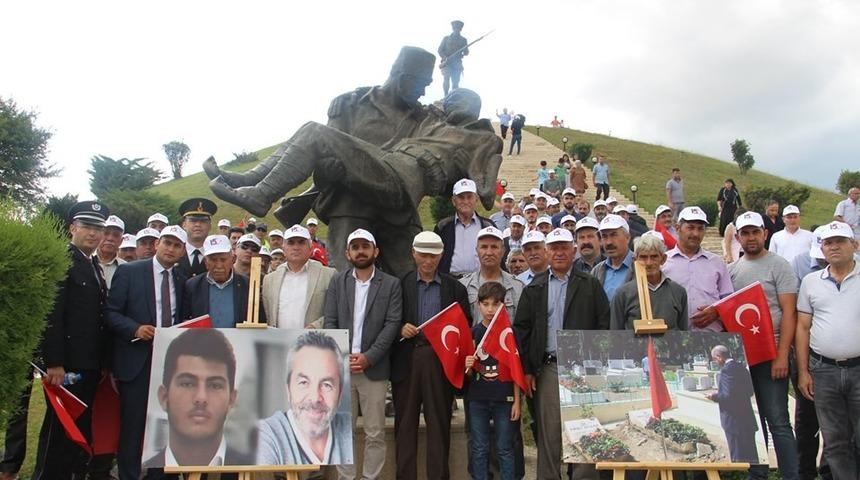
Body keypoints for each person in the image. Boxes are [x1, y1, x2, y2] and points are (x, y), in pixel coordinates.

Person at [513, 227, 610, 480]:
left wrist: (595, 366)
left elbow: (603, 325)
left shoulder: (590, 284)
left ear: (573, 250)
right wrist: (528, 369)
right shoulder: (534, 287)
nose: (558, 252)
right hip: (547, 368)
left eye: (564, 247)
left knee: (585, 429)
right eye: (554, 248)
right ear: (547, 252)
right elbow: (521, 330)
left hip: (582, 369)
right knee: (549, 434)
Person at [32, 201, 109, 480]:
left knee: (76, 432)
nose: (93, 233)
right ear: (72, 227)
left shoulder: (93, 265)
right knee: (58, 432)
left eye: (98, 228)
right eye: (87, 226)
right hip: (64, 367)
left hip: (87, 365)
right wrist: (53, 362)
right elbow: (52, 314)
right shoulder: (63, 260)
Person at [106, 225, 188, 480]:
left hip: (169, 364)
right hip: (137, 361)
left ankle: (158, 475)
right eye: (167, 243)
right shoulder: (129, 272)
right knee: (133, 426)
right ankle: (129, 475)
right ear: (156, 244)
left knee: (164, 424)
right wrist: (135, 328)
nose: (171, 249)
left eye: (177, 245)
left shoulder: (180, 280)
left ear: (183, 251)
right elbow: (110, 313)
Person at [392, 231, 471, 480]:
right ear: (413, 254)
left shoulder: (455, 289)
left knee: (439, 424)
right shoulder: (400, 284)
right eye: (423, 255)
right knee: (404, 426)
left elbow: (464, 326)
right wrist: (399, 328)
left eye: (433, 256)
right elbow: (389, 318)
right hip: (408, 359)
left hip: (440, 363)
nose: (428, 261)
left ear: (441, 256)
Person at [323, 229, 401, 480]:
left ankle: (370, 478)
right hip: (342, 370)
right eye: (355, 247)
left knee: (375, 432)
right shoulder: (337, 281)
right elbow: (330, 321)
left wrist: (369, 356)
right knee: (342, 431)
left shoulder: (391, 284)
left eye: (365, 246)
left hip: (373, 369)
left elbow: (392, 324)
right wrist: (342, 355)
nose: (360, 251)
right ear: (347, 253)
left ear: (375, 251)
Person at [727, 211, 799, 480]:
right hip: (744, 358)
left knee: (778, 420)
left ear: (765, 233)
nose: (751, 237)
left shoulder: (778, 265)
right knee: (753, 421)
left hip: (772, 355)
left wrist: (783, 356)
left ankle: (791, 475)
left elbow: (789, 312)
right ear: (738, 237)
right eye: (745, 233)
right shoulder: (731, 270)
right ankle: (758, 474)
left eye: (755, 232)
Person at [795, 221, 860, 480]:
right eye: (828, 242)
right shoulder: (811, 282)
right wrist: (803, 371)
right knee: (835, 441)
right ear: (821, 248)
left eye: (840, 241)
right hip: (824, 370)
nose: (833, 247)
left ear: (853, 245)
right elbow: (803, 328)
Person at [142, 329, 253, 468]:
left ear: (231, 399)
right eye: (187, 384)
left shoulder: (254, 471)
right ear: (164, 397)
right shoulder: (144, 474)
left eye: (215, 385)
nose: (201, 398)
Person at [257, 331, 353, 465]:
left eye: (326, 385)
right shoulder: (265, 435)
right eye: (303, 383)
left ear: (340, 393)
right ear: (288, 389)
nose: (315, 398)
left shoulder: (349, 427)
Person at [465, 282, 522, 480]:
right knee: (479, 448)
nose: (490, 309)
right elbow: (468, 375)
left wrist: (517, 401)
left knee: (505, 448)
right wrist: (469, 364)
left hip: (504, 399)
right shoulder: (472, 334)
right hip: (478, 399)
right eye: (486, 304)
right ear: (478, 305)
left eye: (495, 304)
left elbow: (516, 368)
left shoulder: (509, 333)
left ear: (503, 306)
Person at [662, 206, 734, 332]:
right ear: (678, 228)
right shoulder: (663, 262)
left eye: (700, 229)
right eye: (690, 228)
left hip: (710, 338)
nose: (696, 234)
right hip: (674, 338)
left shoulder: (717, 263)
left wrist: (717, 311)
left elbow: (729, 300)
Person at [262, 225, 336, 329]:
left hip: (313, 341)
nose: (296, 247)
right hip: (278, 341)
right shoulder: (269, 280)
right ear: (283, 248)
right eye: (291, 242)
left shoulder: (328, 275)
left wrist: (316, 326)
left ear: (310, 248)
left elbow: (336, 312)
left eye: (301, 242)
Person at [610, 234, 688, 330]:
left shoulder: (678, 292)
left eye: (654, 256)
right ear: (635, 260)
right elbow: (615, 334)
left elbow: (684, 334)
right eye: (643, 257)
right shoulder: (623, 294)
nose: (649, 263)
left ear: (663, 259)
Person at [181, 235, 252, 327]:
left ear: (232, 259)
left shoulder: (246, 285)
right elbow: (185, 318)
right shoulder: (193, 286)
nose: (219, 265)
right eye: (213, 260)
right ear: (206, 262)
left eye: (223, 260)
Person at [706, 345, 759, 463]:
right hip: (747, 420)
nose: (715, 362)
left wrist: (714, 396)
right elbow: (750, 391)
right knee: (753, 459)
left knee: (738, 458)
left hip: (734, 422)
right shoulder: (742, 367)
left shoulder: (726, 370)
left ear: (719, 357)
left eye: (715, 359)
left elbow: (728, 396)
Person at [460, 227, 524, 322]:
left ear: (503, 251)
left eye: (494, 247)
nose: (489, 252)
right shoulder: (463, 286)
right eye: (484, 247)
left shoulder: (518, 287)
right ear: (477, 250)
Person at [436, 178, 497, 277]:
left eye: (469, 197)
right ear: (454, 201)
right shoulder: (443, 226)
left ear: (476, 199)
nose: (465, 201)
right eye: (461, 197)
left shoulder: (488, 226)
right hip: (450, 281)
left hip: (480, 281)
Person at [591, 214, 634, 302]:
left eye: (614, 235)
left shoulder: (641, 267)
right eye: (604, 236)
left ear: (627, 237)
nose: (608, 242)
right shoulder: (597, 271)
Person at [176, 198, 218, 279]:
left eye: (203, 221)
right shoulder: (175, 251)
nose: (198, 224)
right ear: (184, 224)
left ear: (210, 225)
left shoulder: (216, 254)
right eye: (193, 220)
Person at [437, 20, 468, 95]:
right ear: (453, 29)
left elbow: (466, 52)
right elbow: (440, 50)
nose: (457, 30)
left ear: (460, 29)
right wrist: (444, 57)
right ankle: (445, 95)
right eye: (455, 28)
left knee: (455, 82)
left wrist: (465, 50)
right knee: (446, 78)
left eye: (458, 28)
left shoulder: (463, 40)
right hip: (447, 62)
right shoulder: (446, 38)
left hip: (457, 63)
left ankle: (453, 97)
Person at [95, 214, 127, 288]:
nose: (110, 238)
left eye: (116, 235)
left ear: (121, 241)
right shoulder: (86, 260)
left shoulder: (126, 268)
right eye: (106, 233)